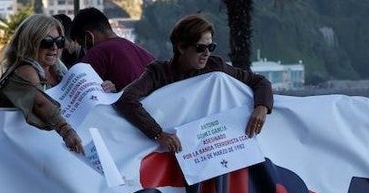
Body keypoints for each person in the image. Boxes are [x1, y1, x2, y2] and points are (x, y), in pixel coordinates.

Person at [115, 14, 273, 152]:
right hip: (174, 151)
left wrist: (261, 107)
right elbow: (127, 99)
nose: (207, 53)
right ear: (181, 47)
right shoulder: (158, 73)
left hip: (213, 149)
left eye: (211, 47)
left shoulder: (215, 66)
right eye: (200, 48)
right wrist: (158, 134)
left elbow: (259, 81)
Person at [0, 13, 83, 153]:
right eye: (47, 42)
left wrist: (104, 90)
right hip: (11, 153)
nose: (54, 47)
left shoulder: (60, 71)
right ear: (30, 43)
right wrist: (66, 131)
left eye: (59, 41)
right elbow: (41, 103)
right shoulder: (25, 71)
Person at [70, 7, 156, 91]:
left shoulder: (97, 53)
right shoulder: (146, 55)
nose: (83, 50)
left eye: (82, 44)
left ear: (88, 36)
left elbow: (80, 94)